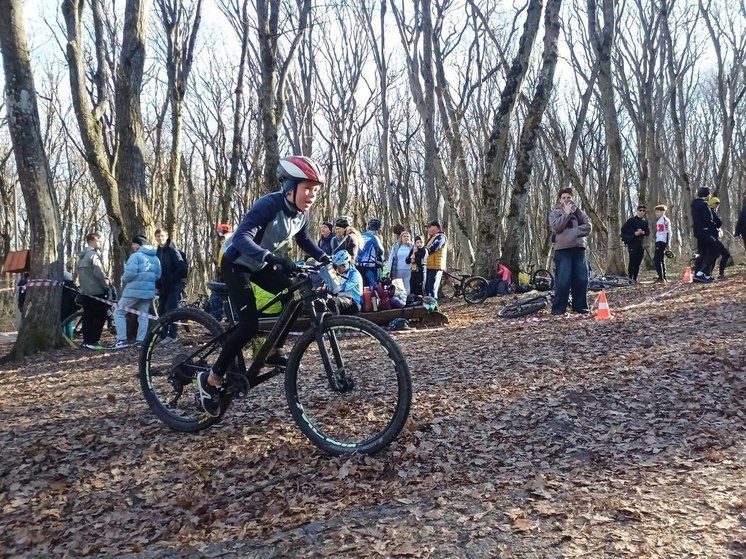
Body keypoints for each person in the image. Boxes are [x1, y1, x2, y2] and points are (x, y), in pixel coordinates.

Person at [197, 155, 330, 417]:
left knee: (295, 293)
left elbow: (305, 241)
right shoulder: (268, 204)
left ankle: (273, 350)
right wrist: (270, 257)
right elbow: (242, 238)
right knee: (248, 325)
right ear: (290, 188)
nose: (312, 195)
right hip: (235, 263)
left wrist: (324, 257)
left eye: (315, 190)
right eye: (307, 189)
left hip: (258, 263)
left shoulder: (301, 215)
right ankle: (211, 379)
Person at [110, 235, 162, 349]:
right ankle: (141, 341)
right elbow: (158, 275)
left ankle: (122, 339)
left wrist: (124, 278)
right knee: (143, 315)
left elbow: (130, 274)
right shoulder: (155, 258)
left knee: (119, 312)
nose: (132, 246)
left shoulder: (136, 256)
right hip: (148, 292)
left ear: (139, 244)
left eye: (133, 244)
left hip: (133, 291)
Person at [548, 187, 591, 315]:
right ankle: (558, 309)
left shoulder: (580, 213)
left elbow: (588, 227)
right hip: (562, 250)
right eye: (564, 198)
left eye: (569, 197)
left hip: (579, 249)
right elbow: (556, 227)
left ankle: (580, 306)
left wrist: (571, 233)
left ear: (573, 199)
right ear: (560, 200)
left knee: (581, 278)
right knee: (563, 279)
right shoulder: (555, 213)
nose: (566, 200)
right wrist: (566, 215)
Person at [76, 232, 110, 350]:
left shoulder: (80, 257)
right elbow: (98, 272)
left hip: (85, 291)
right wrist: (106, 285)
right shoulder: (93, 255)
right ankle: (94, 341)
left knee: (88, 316)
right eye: (99, 241)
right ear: (93, 241)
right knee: (101, 316)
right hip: (97, 291)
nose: (100, 243)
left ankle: (87, 341)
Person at [155, 228, 188, 340]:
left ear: (167, 236)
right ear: (156, 238)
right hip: (162, 287)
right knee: (161, 311)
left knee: (172, 310)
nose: (161, 238)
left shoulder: (172, 249)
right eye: (158, 236)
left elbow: (182, 268)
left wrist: (172, 280)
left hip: (174, 286)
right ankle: (163, 335)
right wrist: (158, 283)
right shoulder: (158, 251)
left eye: (162, 236)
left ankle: (172, 335)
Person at [691, 186, 719, 283]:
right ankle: (700, 273)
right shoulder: (703, 205)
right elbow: (707, 220)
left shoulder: (694, 204)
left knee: (702, 253)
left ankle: (700, 275)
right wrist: (715, 228)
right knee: (715, 251)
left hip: (698, 232)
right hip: (705, 231)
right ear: (707, 195)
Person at [324, 250, 363, 315]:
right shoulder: (340, 273)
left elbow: (341, 288)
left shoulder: (354, 274)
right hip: (342, 299)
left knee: (333, 302)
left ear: (346, 264)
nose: (338, 269)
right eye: (337, 266)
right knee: (322, 302)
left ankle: (336, 322)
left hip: (353, 302)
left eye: (340, 266)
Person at [620, 205, 649, 282]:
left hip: (641, 244)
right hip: (632, 243)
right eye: (640, 210)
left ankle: (635, 278)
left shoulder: (645, 222)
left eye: (643, 211)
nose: (642, 212)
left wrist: (643, 232)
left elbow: (647, 232)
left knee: (638, 262)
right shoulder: (631, 220)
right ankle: (630, 278)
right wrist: (634, 233)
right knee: (632, 261)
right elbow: (623, 230)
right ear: (637, 211)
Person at [705, 197, 731, 280]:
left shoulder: (711, 212)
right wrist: (716, 227)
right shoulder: (711, 212)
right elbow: (719, 223)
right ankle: (719, 274)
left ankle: (708, 274)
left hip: (713, 238)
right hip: (713, 238)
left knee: (715, 255)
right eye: (716, 204)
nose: (717, 206)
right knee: (725, 254)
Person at [357, 218, 385, 288]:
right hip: (370, 266)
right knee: (371, 288)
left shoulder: (360, 236)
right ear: (377, 230)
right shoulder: (375, 237)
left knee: (360, 286)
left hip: (358, 265)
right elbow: (381, 251)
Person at [424, 220, 447, 299]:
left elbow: (435, 247)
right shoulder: (431, 238)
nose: (428, 230)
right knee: (427, 288)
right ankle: (429, 308)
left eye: (429, 227)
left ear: (436, 228)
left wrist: (425, 251)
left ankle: (433, 309)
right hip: (429, 266)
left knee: (432, 288)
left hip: (435, 267)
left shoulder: (441, 237)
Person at [387, 230, 413, 295]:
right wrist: (388, 270)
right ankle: (400, 301)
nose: (406, 238)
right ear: (401, 238)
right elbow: (391, 258)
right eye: (404, 236)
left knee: (407, 286)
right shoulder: (396, 246)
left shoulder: (412, 246)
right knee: (398, 286)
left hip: (409, 270)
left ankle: (408, 300)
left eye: (408, 236)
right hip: (398, 270)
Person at [652, 205, 671, 283]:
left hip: (662, 241)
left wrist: (668, 243)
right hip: (659, 240)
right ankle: (663, 277)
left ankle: (661, 277)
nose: (656, 213)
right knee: (661, 259)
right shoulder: (659, 220)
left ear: (662, 212)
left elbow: (668, 232)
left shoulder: (664, 220)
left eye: (657, 212)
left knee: (657, 259)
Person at [61, 271, 79, 339]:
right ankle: (69, 338)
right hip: (72, 309)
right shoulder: (74, 287)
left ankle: (65, 338)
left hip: (64, 308)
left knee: (63, 324)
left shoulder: (63, 286)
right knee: (68, 324)